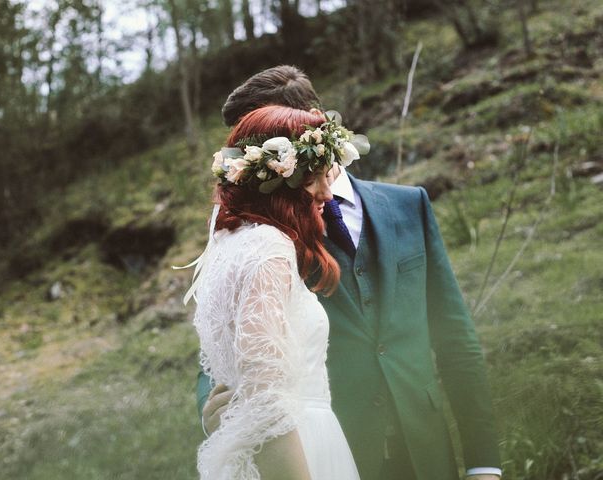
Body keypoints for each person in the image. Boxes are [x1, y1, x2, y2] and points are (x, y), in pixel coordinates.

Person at [196, 66, 502, 480]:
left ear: (315, 130)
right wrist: (218, 414)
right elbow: (226, 342)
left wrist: (484, 462)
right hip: (321, 453)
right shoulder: (255, 239)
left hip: (426, 453)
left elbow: (454, 336)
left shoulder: (408, 205)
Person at [185, 104, 367, 479]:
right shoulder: (269, 249)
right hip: (298, 450)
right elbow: (265, 402)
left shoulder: (232, 244)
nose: (326, 193)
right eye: (314, 177)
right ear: (278, 179)